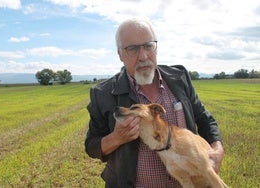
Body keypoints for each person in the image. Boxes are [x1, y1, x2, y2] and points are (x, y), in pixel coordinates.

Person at [85, 18, 224, 188]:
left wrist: (217, 148)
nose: (143, 56)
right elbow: (92, 146)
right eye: (132, 49)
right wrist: (116, 138)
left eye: (148, 46)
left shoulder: (179, 77)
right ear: (120, 54)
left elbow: (204, 119)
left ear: (156, 47)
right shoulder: (103, 94)